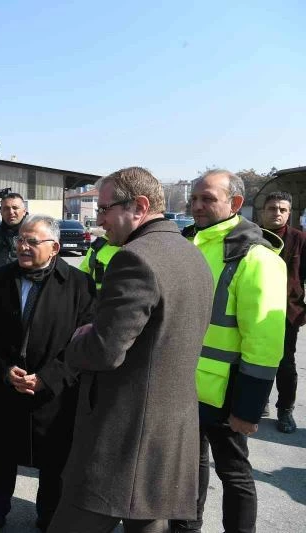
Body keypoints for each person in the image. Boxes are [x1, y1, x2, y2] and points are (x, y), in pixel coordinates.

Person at [49, 167, 214, 533]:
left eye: (105, 208)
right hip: (168, 431)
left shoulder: (135, 258)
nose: (99, 219)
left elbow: (106, 350)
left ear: (139, 206)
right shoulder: (191, 253)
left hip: (124, 438)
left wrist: (78, 340)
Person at [171, 170, 286, 533]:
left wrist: (249, 407)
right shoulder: (188, 242)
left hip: (226, 393)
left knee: (234, 474)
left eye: (208, 199)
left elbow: (264, 342)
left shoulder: (257, 257)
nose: (197, 206)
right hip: (183, 386)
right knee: (189, 469)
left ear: (235, 203)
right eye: (194, 199)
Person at [0, 214, 96, 533]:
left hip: (54, 393)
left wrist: (49, 377)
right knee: (1, 459)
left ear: (55, 247)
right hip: (7, 387)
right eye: (20, 241)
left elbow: (83, 343)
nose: (23, 247)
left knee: (54, 464)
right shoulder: (1, 278)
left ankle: (48, 517)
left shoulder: (79, 285)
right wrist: (3, 369)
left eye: (32, 241)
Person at [259, 191, 306, 433]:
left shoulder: (300, 240)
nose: (277, 213)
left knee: (285, 364)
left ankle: (285, 410)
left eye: (282, 209)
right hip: (253, 310)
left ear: (289, 213)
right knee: (252, 359)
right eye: (272, 208)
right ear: (263, 211)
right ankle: (259, 403)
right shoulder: (249, 237)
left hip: (286, 314)